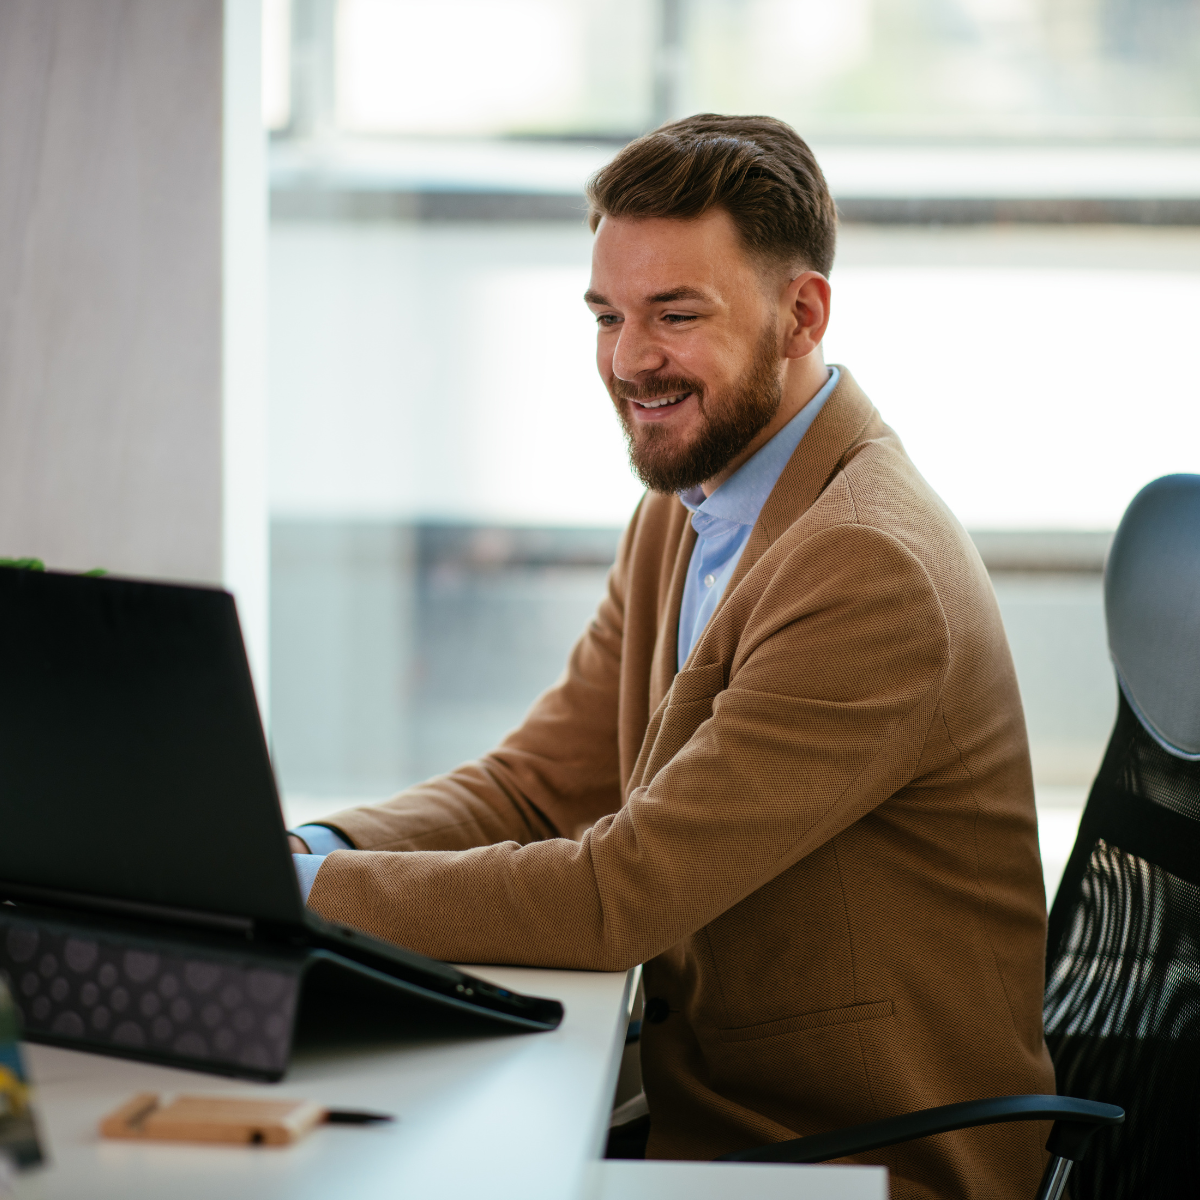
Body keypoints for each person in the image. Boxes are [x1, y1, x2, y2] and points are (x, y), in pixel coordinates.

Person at [288, 114, 1055, 1199]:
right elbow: (542, 785)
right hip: (718, 1116)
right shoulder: (693, 498)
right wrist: (309, 845)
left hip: (860, 1159)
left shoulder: (869, 570)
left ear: (801, 314)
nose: (628, 359)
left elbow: (617, 896)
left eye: (675, 315)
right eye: (607, 314)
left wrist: (298, 895)